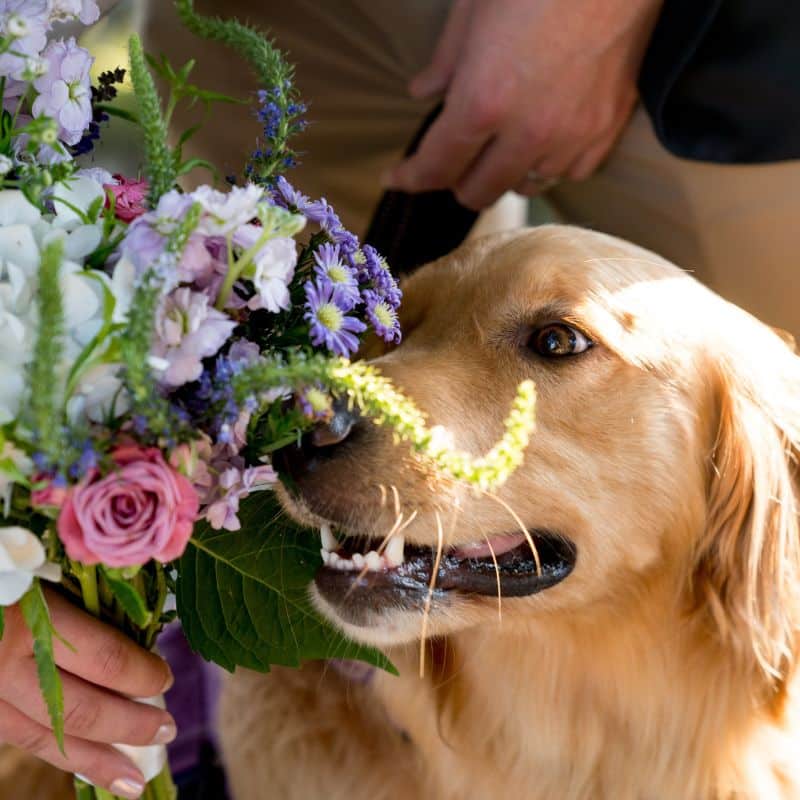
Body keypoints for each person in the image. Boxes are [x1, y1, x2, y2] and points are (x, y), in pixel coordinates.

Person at [3, 0, 800, 795]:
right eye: (404, 338)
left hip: (705, 57)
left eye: (557, 341)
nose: (341, 402)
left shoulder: (752, 434)